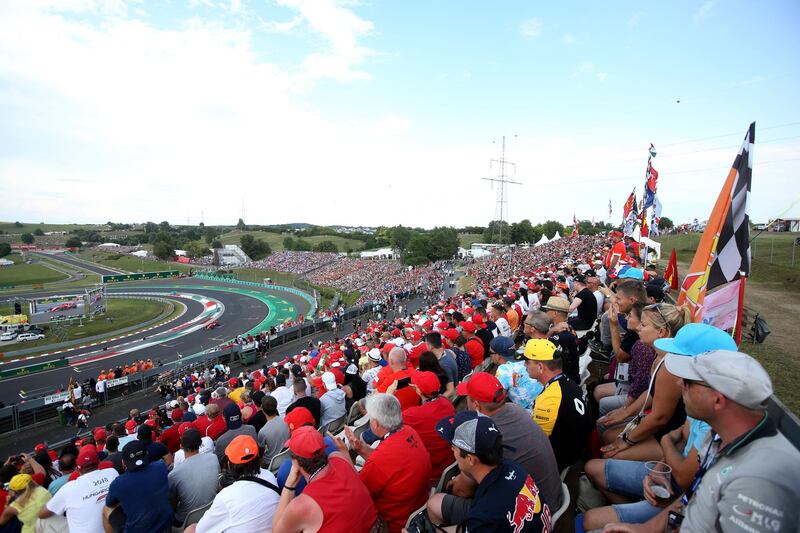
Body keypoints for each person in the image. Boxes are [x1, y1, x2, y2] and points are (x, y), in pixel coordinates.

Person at [603, 350, 800, 533]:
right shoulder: (719, 435)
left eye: (689, 381)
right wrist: (645, 529)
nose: (679, 384)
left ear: (718, 400)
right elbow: (696, 496)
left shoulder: (759, 480)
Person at [582, 323, 738, 530]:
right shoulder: (703, 407)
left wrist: (665, 443)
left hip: (681, 498)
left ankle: (634, 515)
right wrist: (659, 469)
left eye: (688, 379)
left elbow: (683, 477)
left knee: (591, 519)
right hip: (670, 480)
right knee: (592, 466)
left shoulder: (718, 424)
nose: (679, 384)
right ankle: (634, 512)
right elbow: (680, 433)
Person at [423, 411, 551, 532]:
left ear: (470, 459)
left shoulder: (485, 517)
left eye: (454, 447)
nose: (452, 450)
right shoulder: (512, 467)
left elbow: (486, 520)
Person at [454, 371, 562, 510]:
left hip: (533, 512)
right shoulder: (515, 408)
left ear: (476, 404)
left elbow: (463, 490)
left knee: (439, 503)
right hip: (549, 498)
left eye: (467, 398)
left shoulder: (484, 434)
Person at [599, 304, 691, 461]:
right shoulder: (659, 355)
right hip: (660, 426)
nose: (638, 328)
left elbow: (660, 418)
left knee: (608, 453)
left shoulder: (670, 365)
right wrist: (625, 412)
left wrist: (626, 441)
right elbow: (651, 393)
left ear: (661, 332)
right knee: (608, 432)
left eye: (643, 324)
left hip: (668, 435)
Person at [341, 393, 431, 533]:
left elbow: (359, 494)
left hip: (394, 522)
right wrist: (361, 449)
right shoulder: (408, 430)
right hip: (418, 506)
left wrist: (345, 455)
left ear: (375, 424)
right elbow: (388, 463)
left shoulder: (381, 458)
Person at [273, 426, 379, 533]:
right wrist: (345, 452)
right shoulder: (339, 457)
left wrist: (289, 485)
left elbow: (276, 531)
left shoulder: (302, 505)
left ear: (295, 462)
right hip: (378, 527)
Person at [522, 339, 593, 470]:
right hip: (575, 448)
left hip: (558, 459)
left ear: (540, 367)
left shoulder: (549, 398)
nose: (524, 365)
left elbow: (537, 442)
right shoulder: (566, 381)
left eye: (527, 361)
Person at [186, 435, 279, 533]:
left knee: (191, 529)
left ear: (230, 464)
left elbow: (200, 530)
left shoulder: (225, 497)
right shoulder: (270, 476)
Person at [39, 445, 118, 533]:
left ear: (78, 469)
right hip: (119, 527)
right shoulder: (112, 472)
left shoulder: (68, 488)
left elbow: (42, 514)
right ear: (99, 462)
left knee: (42, 521)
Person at [104, 440, 173, 533]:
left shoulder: (118, 483)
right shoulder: (160, 466)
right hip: (166, 524)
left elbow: (109, 503)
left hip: (138, 530)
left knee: (106, 509)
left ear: (123, 463)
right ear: (147, 454)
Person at [401, 370, 456, 480]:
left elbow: (387, 419)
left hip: (432, 471)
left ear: (419, 391)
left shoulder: (414, 415)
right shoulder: (446, 403)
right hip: (450, 461)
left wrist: (389, 393)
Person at [168, 429, 219, 529]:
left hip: (186, 521)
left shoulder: (173, 475)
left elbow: (172, 505)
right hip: (211, 509)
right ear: (200, 444)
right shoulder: (213, 458)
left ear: (181, 446)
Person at [489, 335, 543, 411]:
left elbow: (498, 400)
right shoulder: (525, 355)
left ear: (498, 356)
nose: (490, 356)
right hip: (541, 400)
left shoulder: (504, 370)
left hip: (529, 412)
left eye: (490, 352)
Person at [257, 396, 290, 465]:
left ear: (263, 410)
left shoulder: (263, 431)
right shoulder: (286, 421)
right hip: (287, 455)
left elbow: (260, 451)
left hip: (271, 462)